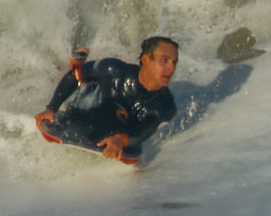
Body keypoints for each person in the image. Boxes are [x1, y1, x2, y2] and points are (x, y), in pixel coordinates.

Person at [34, 36, 180, 165]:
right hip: (82, 110)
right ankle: (77, 59)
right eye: (164, 60)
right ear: (146, 60)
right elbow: (73, 77)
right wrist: (51, 109)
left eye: (174, 62)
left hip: (112, 131)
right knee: (76, 76)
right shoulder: (113, 70)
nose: (171, 68)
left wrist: (119, 140)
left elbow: (142, 134)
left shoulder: (166, 106)